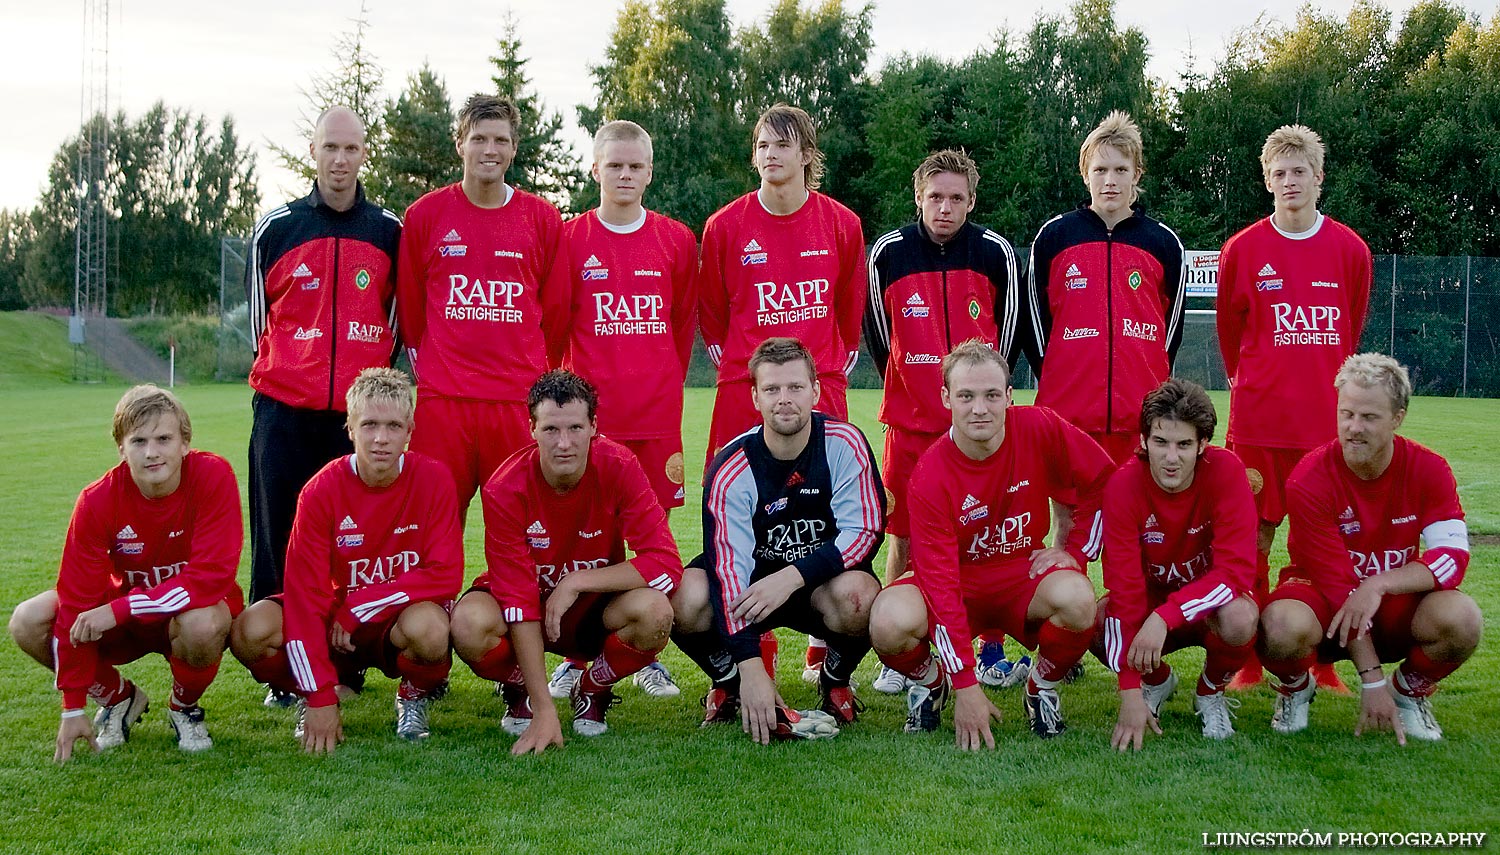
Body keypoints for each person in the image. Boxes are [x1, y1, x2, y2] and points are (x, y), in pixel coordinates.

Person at [868, 340, 1113, 748]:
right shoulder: (930, 475)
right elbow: (942, 586)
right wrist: (966, 684)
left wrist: (1075, 550)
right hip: (959, 583)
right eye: (966, 396)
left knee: (1078, 598)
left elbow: (1104, 479)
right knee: (887, 620)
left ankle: (1041, 689)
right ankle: (933, 685)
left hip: (1022, 576)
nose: (979, 408)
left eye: (991, 395)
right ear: (946, 398)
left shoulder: (1040, 426)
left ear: (1009, 396)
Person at [229, 368, 463, 753]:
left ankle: (413, 696)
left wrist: (360, 606)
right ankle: (314, 691)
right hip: (333, 621)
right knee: (250, 630)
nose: (381, 439)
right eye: (369, 424)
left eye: (393, 426)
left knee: (432, 628)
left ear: (410, 430)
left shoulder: (434, 478)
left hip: (392, 620)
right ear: (350, 428)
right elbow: (304, 598)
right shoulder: (321, 490)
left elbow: (446, 575)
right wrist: (320, 695)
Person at [451, 370, 682, 754]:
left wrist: (575, 582)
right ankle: (523, 690)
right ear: (532, 429)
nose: (564, 443)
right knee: (468, 623)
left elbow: (665, 563)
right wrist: (544, 710)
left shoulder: (619, 465)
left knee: (656, 610)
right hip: (524, 611)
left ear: (594, 426)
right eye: (551, 429)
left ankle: (591, 688)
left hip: (591, 610)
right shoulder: (504, 487)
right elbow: (518, 602)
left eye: (575, 428)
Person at [8, 386, 243, 762]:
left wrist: (120, 609)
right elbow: (76, 600)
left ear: (185, 443)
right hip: (128, 613)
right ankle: (119, 698)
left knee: (205, 622)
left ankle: (184, 708)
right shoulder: (97, 500)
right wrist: (72, 707)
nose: (152, 452)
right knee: (27, 620)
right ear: (121, 448)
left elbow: (210, 578)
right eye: (139, 441)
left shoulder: (213, 475)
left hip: (182, 612)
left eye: (164, 439)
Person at [864, 148, 1026, 693]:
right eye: (936, 197)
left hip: (978, 426)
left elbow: (1006, 340)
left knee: (985, 535)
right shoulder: (887, 253)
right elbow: (880, 338)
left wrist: (978, 404)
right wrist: (918, 391)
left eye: (957, 198)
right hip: (910, 425)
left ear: (971, 201)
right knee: (904, 535)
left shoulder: (996, 252)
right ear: (919, 198)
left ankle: (993, 651)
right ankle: (899, 656)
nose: (945, 207)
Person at [1217, 124, 1372, 689]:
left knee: (1321, 545)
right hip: (1258, 426)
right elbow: (1232, 341)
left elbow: (1348, 333)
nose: (1289, 182)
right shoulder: (1242, 250)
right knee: (1253, 542)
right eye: (1279, 173)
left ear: (1318, 177)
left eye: (1299, 172)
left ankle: (1317, 659)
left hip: (1321, 431)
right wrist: (1253, 383)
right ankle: (1252, 660)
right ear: (1267, 180)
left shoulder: (1350, 250)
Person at [670, 338, 885, 744]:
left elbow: (866, 532)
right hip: (750, 591)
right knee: (685, 598)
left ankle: (835, 679)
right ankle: (729, 682)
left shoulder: (844, 443)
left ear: (816, 391)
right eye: (771, 389)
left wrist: (791, 577)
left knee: (862, 595)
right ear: (754, 396)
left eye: (795, 388)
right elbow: (728, 568)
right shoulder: (732, 465)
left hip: (816, 586)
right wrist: (751, 668)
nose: (784, 400)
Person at [547, 119, 696, 702]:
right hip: (592, 421)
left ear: (650, 172)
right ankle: (580, 653)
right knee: (591, 540)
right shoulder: (570, 238)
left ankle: (647, 651)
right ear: (595, 170)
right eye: (615, 165)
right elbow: (558, 324)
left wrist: (659, 380)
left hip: (655, 416)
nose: (626, 174)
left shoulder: (676, 240)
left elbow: (681, 327)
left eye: (636, 166)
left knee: (652, 541)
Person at [1259, 354, 1479, 743]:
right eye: (1346, 414)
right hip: (1324, 608)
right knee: (1279, 625)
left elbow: (1453, 558)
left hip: (1390, 607)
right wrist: (1370, 681)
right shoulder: (1309, 479)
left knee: (1462, 619)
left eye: (1369, 417)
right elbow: (1338, 587)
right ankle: (1297, 689)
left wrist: (1378, 585)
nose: (1353, 428)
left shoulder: (1430, 469)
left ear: (1398, 417)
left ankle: (1408, 693)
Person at [244, 105, 401, 613]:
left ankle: (346, 663)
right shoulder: (276, 228)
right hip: (284, 413)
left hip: (356, 420)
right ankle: (278, 669)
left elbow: (394, 325)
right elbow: (258, 328)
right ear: (312, 151)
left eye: (350, 148)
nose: (340, 159)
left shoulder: (388, 231)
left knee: (352, 543)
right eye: (330, 147)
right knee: (277, 539)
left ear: (364, 154)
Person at [397, 93, 569, 518]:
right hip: (444, 403)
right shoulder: (425, 215)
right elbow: (411, 311)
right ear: (460, 144)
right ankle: (432, 591)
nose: (489, 150)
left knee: (520, 528)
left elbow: (558, 313)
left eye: (500, 140)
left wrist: (528, 374)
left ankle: (513, 591)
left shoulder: (542, 219)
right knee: (429, 524)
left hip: (514, 402)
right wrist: (438, 369)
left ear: (513, 148)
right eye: (478, 138)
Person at [698, 103, 866, 470]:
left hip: (819, 382)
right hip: (744, 384)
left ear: (806, 154)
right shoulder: (723, 227)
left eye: (782, 144)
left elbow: (849, 311)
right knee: (729, 498)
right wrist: (745, 365)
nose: (770, 153)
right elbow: (711, 313)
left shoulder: (843, 224)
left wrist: (823, 369)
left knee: (826, 502)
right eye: (762, 145)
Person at [1097, 378, 1260, 750]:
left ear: (1203, 445)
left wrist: (1164, 617)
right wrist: (1129, 693)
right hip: (1150, 605)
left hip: (1208, 608)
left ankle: (1210, 692)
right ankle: (1155, 681)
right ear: (1143, 441)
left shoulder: (1226, 471)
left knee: (1241, 617)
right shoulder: (1123, 486)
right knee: (1098, 621)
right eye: (1161, 443)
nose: (1172, 458)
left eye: (1184, 444)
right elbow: (1124, 589)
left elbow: (1235, 572)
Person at [1025, 111, 1185, 467]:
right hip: (1069, 411)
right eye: (1100, 170)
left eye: (1120, 170)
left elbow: (1170, 331)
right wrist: (1057, 375)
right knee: (1069, 521)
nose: (1110, 181)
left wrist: (1150, 381)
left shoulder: (1163, 242)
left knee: (1137, 519)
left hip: (1139, 414)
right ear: (1085, 175)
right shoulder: (1055, 236)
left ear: (1136, 175)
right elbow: (1033, 320)